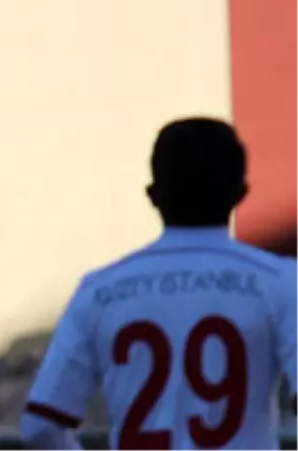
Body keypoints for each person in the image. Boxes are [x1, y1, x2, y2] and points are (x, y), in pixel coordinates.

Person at [20, 117, 298, 451]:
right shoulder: (280, 281)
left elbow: (40, 426)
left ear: (153, 195)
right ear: (240, 193)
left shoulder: (99, 291)